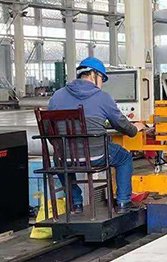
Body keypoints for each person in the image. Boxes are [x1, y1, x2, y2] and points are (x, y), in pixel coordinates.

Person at [47, 57, 145, 213]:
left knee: (59, 159)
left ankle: (76, 203)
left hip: (65, 158)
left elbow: (49, 130)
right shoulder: (102, 97)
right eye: (102, 79)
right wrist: (135, 129)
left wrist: (62, 147)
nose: (102, 84)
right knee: (124, 157)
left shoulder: (56, 96)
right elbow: (122, 125)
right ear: (94, 75)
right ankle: (123, 202)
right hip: (96, 156)